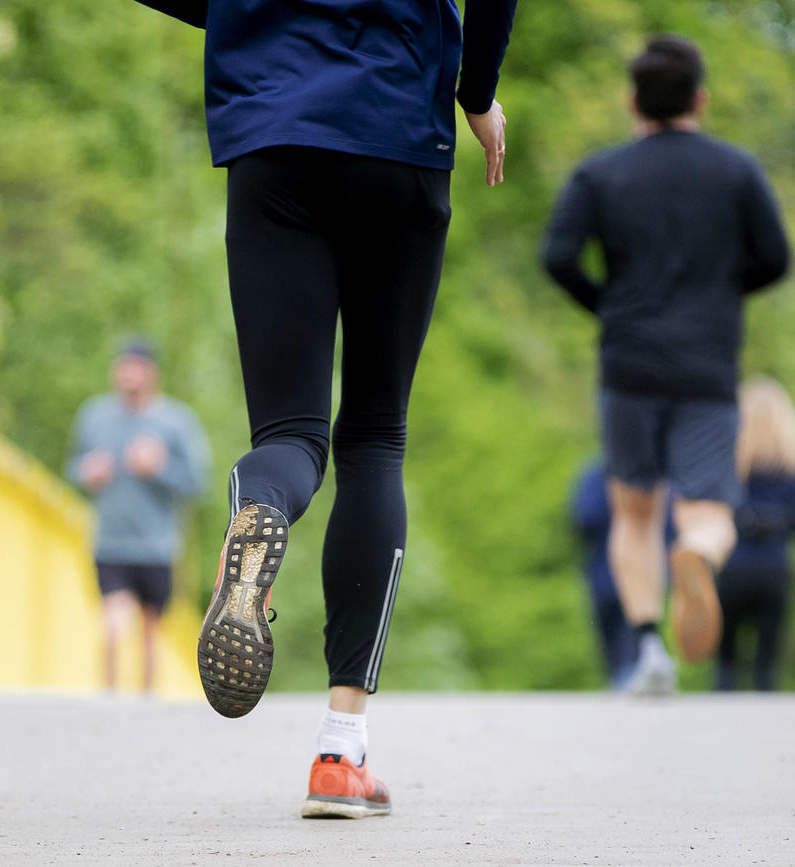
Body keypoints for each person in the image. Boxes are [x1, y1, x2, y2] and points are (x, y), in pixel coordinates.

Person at [129, 0, 517, 819]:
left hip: (272, 135)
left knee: (288, 433)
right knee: (374, 438)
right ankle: (342, 754)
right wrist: (474, 91)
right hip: (397, 133)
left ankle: (260, 508)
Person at [542, 35, 790, 694]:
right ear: (699, 99)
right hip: (706, 367)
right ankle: (699, 554)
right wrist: (720, 292)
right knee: (706, 508)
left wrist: (609, 309)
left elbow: (557, 256)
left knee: (633, 513)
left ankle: (649, 650)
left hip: (628, 365)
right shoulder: (736, 171)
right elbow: (776, 257)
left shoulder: (601, 173)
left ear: (633, 101)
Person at [66, 338, 210, 692]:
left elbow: (198, 483)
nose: (128, 375)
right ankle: (109, 699)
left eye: (136, 367)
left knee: (149, 633)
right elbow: (74, 467)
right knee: (113, 625)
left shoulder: (175, 422)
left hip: (157, 546)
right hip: (111, 543)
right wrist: (88, 472)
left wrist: (159, 467)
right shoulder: (94, 415)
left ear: (151, 372)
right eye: (123, 366)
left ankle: (146, 707)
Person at [715, 377, 795, 691]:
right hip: (774, 570)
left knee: (726, 664)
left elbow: (713, 514)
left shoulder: (727, 466)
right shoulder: (794, 468)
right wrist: (775, 523)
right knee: (766, 666)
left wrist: (745, 520)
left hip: (732, 568)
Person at [572, 461, 674, 690]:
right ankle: (636, 676)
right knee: (641, 636)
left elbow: (584, 519)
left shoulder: (595, 476)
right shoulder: (659, 480)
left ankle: (623, 684)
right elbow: (667, 528)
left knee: (614, 645)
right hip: (649, 576)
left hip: (604, 576)